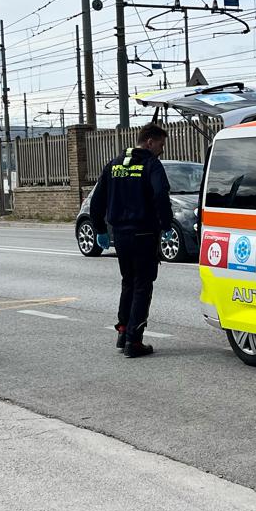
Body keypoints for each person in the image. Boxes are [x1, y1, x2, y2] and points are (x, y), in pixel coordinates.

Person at [87, 123, 172, 358]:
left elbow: (97, 200)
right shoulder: (151, 165)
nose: (162, 150)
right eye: (161, 144)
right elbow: (160, 195)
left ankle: (123, 332)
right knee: (143, 285)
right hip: (144, 234)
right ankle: (134, 342)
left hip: (121, 236)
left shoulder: (114, 164)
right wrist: (166, 225)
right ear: (150, 142)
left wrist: (100, 228)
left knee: (128, 283)